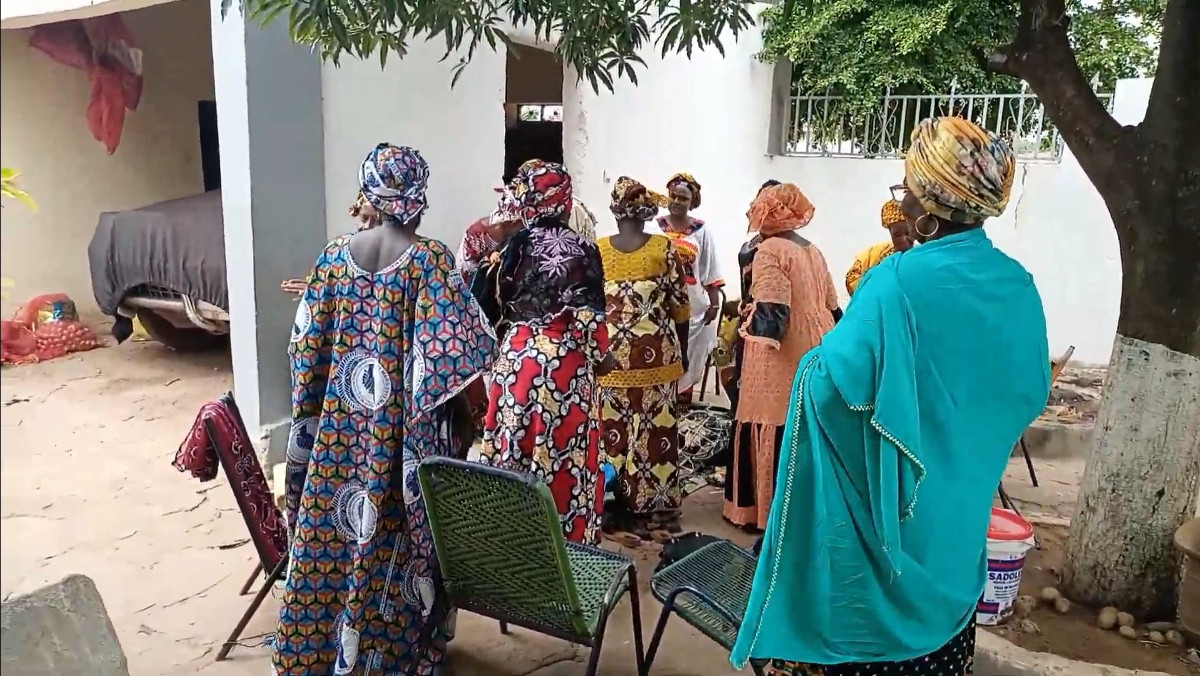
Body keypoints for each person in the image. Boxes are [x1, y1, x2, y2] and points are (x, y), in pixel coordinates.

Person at [730, 117, 1050, 676]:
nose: (902, 202)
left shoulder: (895, 281)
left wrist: (809, 365)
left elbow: (829, 386)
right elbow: (1027, 391)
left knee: (868, 636)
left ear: (928, 203)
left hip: (886, 540)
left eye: (907, 188)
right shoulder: (1016, 283)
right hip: (956, 519)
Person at [275, 143, 496, 675]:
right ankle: (392, 655)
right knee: (399, 546)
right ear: (417, 196)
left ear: (369, 191)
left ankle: (319, 652)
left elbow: (304, 350)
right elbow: (458, 358)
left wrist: (316, 415)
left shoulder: (331, 257)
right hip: (400, 447)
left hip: (336, 441)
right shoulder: (431, 261)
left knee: (330, 538)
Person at [475, 159, 611, 545]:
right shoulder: (584, 250)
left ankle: (513, 547)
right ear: (566, 203)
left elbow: (493, 306)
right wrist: (604, 359)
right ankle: (566, 547)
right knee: (562, 458)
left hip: (515, 365)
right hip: (562, 369)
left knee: (512, 451)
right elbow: (587, 321)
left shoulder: (512, 246)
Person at [723, 182, 838, 532]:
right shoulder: (812, 249)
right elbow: (832, 306)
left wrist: (746, 326)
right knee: (805, 421)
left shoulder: (769, 250)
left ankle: (764, 512)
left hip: (782, 351)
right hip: (818, 341)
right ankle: (805, 511)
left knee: (770, 418)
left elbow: (773, 314)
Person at [597, 176, 691, 539]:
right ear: (648, 213)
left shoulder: (598, 250)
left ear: (615, 210)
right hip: (658, 360)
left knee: (612, 432)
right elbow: (680, 307)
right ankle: (656, 510)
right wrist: (679, 355)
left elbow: (590, 306)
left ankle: (612, 506)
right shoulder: (663, 248)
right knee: (656, 434)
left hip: (610, 363)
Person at [657, 173, 723, 405]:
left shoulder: (701, 231)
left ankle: (683, 397)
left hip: (693, 303)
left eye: (682, 198)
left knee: (691, 349)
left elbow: (708, 267)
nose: (676, 201)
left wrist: (714, 303)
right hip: (660, 302)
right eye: (672, 196)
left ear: (691, 201)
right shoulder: (655, 228)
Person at [845, 198, 915, 295]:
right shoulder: (877, 255)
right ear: (890, 232)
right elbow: (852, 278)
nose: (904, 239)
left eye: (908, 233)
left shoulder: (922, 257)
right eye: (897, 235)